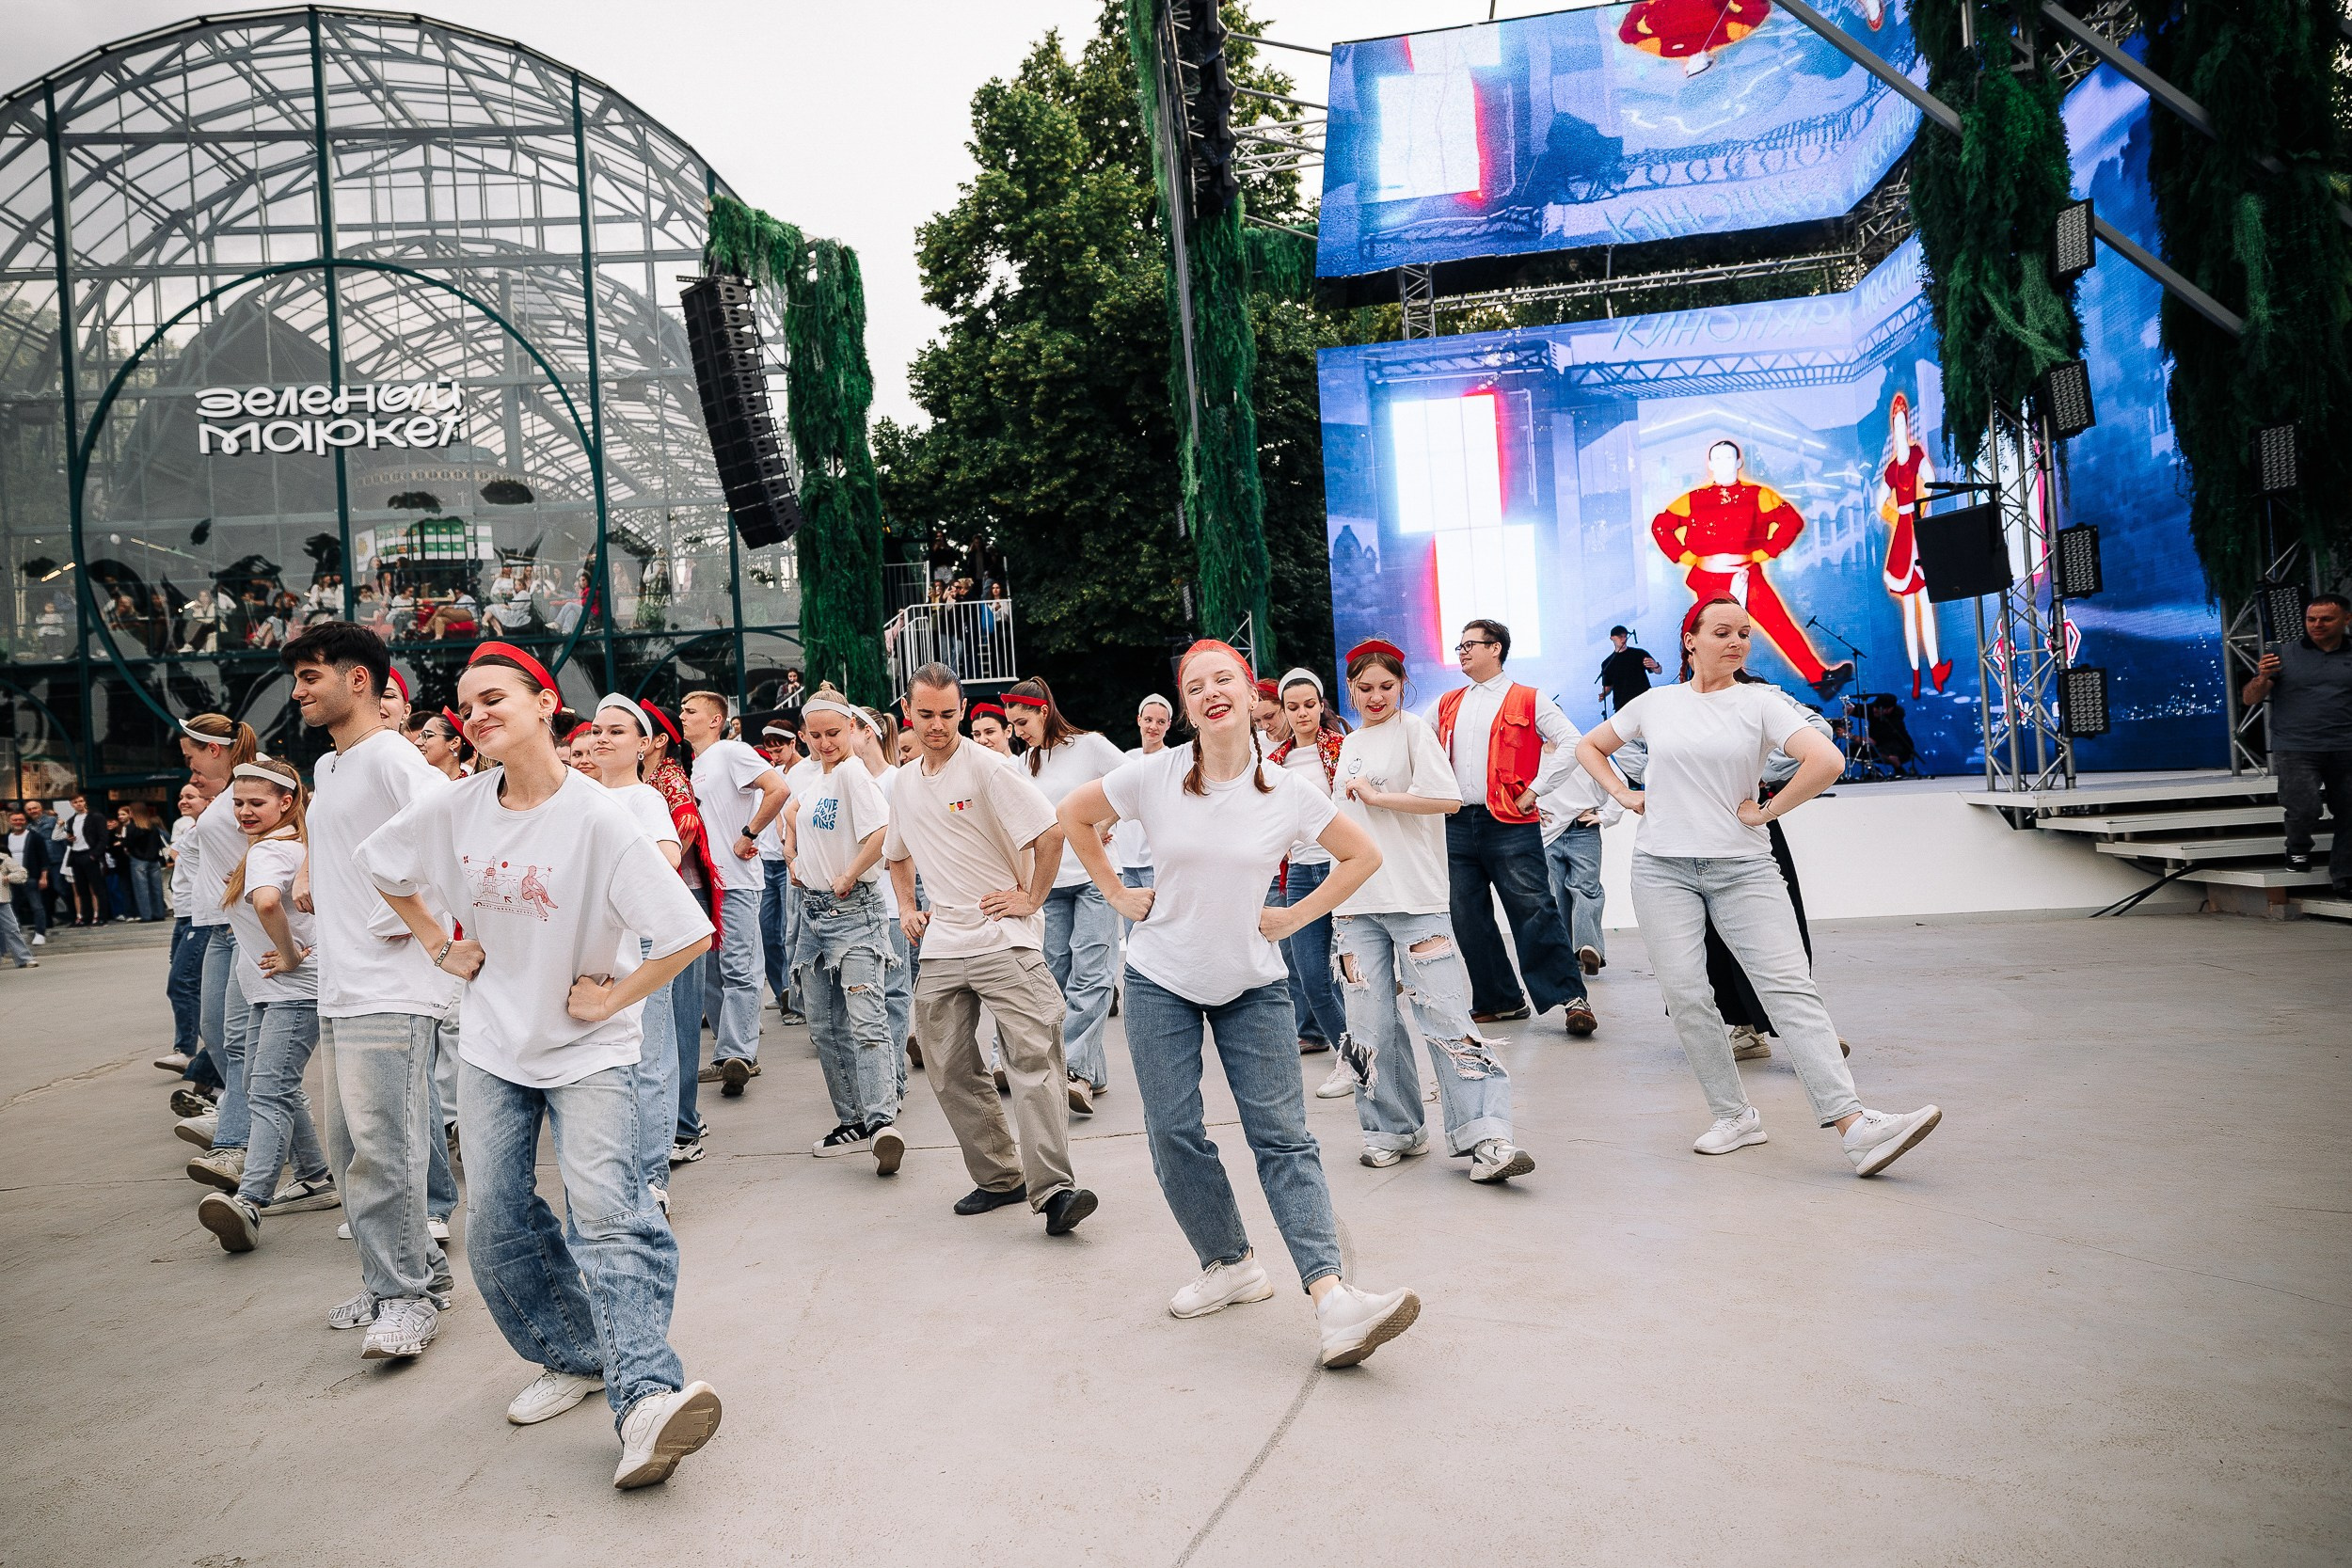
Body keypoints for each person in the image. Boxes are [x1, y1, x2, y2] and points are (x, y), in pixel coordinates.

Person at [359, 640, 722, 1491]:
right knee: (492, 1218)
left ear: (543, 703)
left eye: (494, 698)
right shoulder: (454, 806)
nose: (476, 713)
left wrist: (615, 995)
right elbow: (381, 865)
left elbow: (687, 932)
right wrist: (439, 943)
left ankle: (644, 1400)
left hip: (589, 1049)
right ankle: (573, 1350)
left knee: (608, 1212)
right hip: (493, 1043)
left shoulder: (601, 816)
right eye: (466, 702)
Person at [1059, 639, 1422, 1367]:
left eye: (1223, 678)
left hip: (1253, 983)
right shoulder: (1152, 776)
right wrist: (1116, 892)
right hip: (1161, 976)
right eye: (1196, 685)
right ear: (1186, 704)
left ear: (1246, 693)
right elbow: (1071, 814)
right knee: (1173, 1133)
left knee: (1283, 1139)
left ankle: (1333, 1298)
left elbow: (1363, 855)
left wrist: (1292, 917)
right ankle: (1229, 1262)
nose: (1211, 691)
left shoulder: (1285, 787)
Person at [1575, 598, 1942, 1175]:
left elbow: (1826, 759)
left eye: (1744, 633)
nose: (1736, 642)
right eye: (1721, 632)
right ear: (1689, 640)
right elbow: (1588, 747)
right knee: (1689, 995)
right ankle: (1734, 1117)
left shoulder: (1761, 703)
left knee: (1790, 990)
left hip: (1742, 869)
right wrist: (1624, 795)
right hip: (1661, 869)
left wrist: (1766, 811)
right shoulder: (1656, 703)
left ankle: (1855, 1125)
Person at [281, 621, 463, 1358]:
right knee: (359, 1141)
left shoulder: (392, 755)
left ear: (359, 679)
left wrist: (413, 928)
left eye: (310, 675)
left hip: (391, 986)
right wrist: (311, 879)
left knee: (384, 1150)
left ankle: (406, 1297)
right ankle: (412, 1273)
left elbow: (447, 837)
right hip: (342, 982)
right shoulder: (331, 770)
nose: (298, 690)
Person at [885, 663, 1095, 1236]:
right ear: (909, 713)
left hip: (1003, 937)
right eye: (926, 715)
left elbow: (1050, 831)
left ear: (961, 709)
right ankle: (998, 1177)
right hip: (943, 943)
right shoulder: (904, 781)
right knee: (948, 1065)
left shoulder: (989, 768)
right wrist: (908, 906)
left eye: (949, 715)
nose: (938, 725)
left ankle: (1054, 1191)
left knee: (1033, 1058)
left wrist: (1031, 897)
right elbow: (896, 852)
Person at [1326, 638, 1534, 1181]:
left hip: (1416, 900)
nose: (1375, 697)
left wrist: (1379, 799)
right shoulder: (1348, 746)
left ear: (1402, 686)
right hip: (1354, 905)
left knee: (1445, 1016)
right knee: (1367, 1024)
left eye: (1386, 687)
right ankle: (1391, 1128)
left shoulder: (1414, 731)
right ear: (1350, 688)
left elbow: (1447, 800)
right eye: (1365, 688)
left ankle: (1488, 1136)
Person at [194, 755, 342, 1251]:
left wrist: (289, 956)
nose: (244, 812)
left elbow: (266, 903)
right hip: (274, 991)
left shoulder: (269, 852)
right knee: (274, 1088)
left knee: (269, 1094)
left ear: (287, 802)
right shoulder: (290, 845)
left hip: (291, 992)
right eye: (238, 803)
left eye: (257, 803)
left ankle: (250, 1202)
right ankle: (316, 1178)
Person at [1432, 619, 1598, 1035]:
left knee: (1533, 909)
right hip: (1456, 822)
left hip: (1509, 821)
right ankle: (1499, 1000)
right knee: (1466, 914)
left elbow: (1574, 743)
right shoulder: (1448, 702)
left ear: (1496, 649)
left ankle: (1570, 999)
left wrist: (1535, 791)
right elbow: (1416, 744)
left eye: (1471, 644)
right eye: (1460, 645)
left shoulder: (1529, 698)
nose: (1463, 651)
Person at [781, 697, 905, 1171]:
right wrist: (794, 856)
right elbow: (792, 815)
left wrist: (849, 874)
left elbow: (883, 833)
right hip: (813, 913)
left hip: (854, 910)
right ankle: (851, 1120)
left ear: (851, 728)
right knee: (823, 1024)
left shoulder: (854, 774)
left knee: (866, 1018)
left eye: (834, 733)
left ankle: (880, 1123)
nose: (826, 742)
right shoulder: (815, 777)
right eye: (816, 735)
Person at [1649, 438, 1854, 699]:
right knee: (1714, 634)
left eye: (1728, 458)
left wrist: (1765, 550)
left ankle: (1818, 677)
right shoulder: (1694, 499)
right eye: (1718, 458)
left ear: (1739, 462)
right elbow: (1661, 525)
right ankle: (1716, 686)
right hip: (1710, 579)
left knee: (1781, 625)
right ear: (1710, 464)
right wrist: (1684, 555)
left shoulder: (1757, 495)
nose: (1723, 463)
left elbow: (1791, 520)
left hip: (1747, 573)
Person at [1004, 677, 1124, 1115]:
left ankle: (1072, 1070)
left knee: (1091, 976)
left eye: (1022, 722)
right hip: (1049, 880)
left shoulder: (1089, 746)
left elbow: (1131, 781)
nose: (1018, 732)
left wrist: (1107, 821)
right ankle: (1094, 1072)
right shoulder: (1027, 761)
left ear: (1043, 711)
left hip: (1095, 876)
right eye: (1012, 725)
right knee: (1052, 975)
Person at [588, 694, 688, 1213]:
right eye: (597, 729)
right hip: (598, 943)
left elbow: (669, 857)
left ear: (644, 744)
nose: (601, 738)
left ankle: (651, 1177)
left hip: (643, 941)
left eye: (617, 731)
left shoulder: (644, 799)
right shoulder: (581, 794)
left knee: (648, 1058)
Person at [679, 690, 790, 1098]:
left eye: (690, 711)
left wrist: (749, 834)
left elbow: (777, 788)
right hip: (707, 882)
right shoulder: (696, 765)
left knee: (739, 966)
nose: (682, 716)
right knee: (710, 970)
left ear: (715, 719)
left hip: (738, 880)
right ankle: (727, 1054)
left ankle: (739, 1055)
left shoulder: (730, 751)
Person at [178, 716, 264, 1192]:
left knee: (236, 1041)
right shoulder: (231, 789)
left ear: (213, 749)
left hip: (242, 927)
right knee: (217, 1034)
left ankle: (233, 1143)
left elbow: (282, 841)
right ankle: (247, 1124)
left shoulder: (253, 785)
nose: (188, 767)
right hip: (217, 927)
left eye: (191, 755)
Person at [643, 701, 722, 1165]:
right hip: (662, 903)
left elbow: (687, 828)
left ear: (655, 742)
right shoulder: (645, 780)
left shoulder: (669, 778)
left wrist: (656, 872)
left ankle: (685, 1126)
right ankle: (681, 1116)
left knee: (679, 1017)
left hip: (681, 901)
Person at [2243, 594, 2352, 896]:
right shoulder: (2284, 654)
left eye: (2326, 619)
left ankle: (2344, 876)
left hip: (2346, 745)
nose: (2316, 624)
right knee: (2303, 805)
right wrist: (2263, 676)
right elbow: (2250, 699)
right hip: (2296, 745)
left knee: (2350, 811)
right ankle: (2298, 846)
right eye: (2311, 619)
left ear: (2346, 619)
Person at [1266, 670, 1348, 1055]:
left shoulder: (1343, 748)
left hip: (1343, 869)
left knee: (1355, 974)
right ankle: (1352, 1059)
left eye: (1309, 705)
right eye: (1293, 707)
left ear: (1321, 705)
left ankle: (1370, 1059)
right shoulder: (1274, 762)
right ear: (1283, 710)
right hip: (1299, 873)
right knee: (1313, 977)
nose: (1302, 714)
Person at [1875, 392, 1951, 698]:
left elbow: (1883, 501)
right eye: (1897, 423)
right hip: (1912, 532)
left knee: (1917, 608)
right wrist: (1916, 511)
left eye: (1901, 422)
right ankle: (1929, 671)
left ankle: (1925, 673)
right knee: (1919, 606)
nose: (1899, 428)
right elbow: (1929, 484)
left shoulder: (1903, 462)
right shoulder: (1899, 464)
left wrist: (1905, 513)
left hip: (1909, 532)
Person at [1534, 733, 1622, 976]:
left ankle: (1587, 948)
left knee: (1585, 888)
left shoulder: (1585, 751)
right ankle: (1568, 953)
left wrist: (1604, 816)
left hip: (1583, 829)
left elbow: (1617, 780)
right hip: (1547, 833)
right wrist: (1530, 810)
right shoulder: (1532, 756)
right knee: (1556, 893)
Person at [754, 721, 805, 1026]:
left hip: (790, 862)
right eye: (770, 750)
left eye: (779, 748)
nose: (775, 754)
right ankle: (781, 989)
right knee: (768, 930)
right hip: (767, 862)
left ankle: (797, 1000)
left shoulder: (802, 773)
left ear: (792, 743)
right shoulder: (771, 774)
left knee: (791, 931)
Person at [155, 783, 208, 1069]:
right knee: (189, 984)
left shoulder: (209, 830)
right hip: (184, 914)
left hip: (201, 917)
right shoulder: (189, 829)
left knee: (182, 983)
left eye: (190, 796)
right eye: (181, 797)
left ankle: (190, 1052)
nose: (182, 801)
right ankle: (203, 1054)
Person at [1111, 695, 1171, 936]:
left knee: (1159, 927)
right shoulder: (1127, 758)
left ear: (1168, 725)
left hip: (1155, 861)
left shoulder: (1171, 759)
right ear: (1139, 720)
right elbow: (1115, 799)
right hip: (1126, 861)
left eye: (1160, 721)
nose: (1153, 727)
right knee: (1132, 930)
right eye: (1148, 720)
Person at [7, 806, 52, 944]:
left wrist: (44, 877)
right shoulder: (7, 838)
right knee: (11, 907)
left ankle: (40, 933)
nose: (18, 822)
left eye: (21, 819)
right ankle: (16, 932)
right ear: (10, 821)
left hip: (31, 877)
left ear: (25, 821)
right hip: (12, 878)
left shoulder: (34, 836)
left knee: (36, 906)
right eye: (15, 820)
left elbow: (44, 858)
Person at [1597, 626, 1661, 716]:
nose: (1623, 639)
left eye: (1625, 636)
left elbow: (1658, 671)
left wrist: (1656, 665)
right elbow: (1609, 685)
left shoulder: (1639, 654)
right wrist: (1604, 694)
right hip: (1623, 706)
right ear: (1612, 638)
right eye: (1620, 637)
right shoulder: (1607, 663)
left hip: (1643, 701)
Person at [125, 802, 167, 922]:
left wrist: (126, 847)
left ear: (132, 812)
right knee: (156, 888)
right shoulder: (153, 827)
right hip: (153, 859)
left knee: (142, 890)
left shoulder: (131, 827)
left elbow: (129, 843)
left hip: (138, 859)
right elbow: (158, 844)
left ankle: (146, 915)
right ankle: (159, 913)